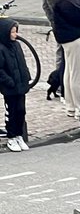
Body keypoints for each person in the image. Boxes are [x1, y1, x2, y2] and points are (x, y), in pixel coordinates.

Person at [0, 19, 31, 152]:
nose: (15, 34)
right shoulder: (1, 48)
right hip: (10, 88)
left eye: (15, 31)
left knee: (21, 110)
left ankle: (19, 135)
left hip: (21, 86)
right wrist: (9, 82)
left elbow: (22, 63)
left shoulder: (17, 45)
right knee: (11, 112)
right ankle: (11, 136)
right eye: (12, 32)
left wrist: (27, 77)